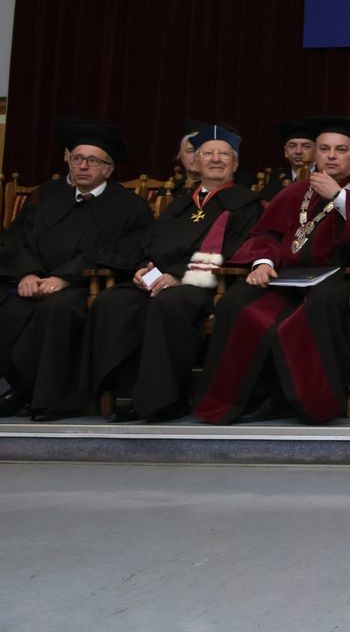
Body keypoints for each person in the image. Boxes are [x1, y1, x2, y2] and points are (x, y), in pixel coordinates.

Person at [194, 116, 350, 425]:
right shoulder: (296, 191)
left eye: (341, 150)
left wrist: (339, 196)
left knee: (317, 305)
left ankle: (311, 402)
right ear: (315, 154)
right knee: (235, 301)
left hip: (344, 275)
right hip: (286, 278)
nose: (331, 156)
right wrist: (263, 263)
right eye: (324, 149)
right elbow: (266, 233)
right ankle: (248, 399)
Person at [85, 125, 263, 423]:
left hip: (205, 284)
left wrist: (179, 275)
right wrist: (143, 268)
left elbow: (235, 250)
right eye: (208, 154)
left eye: (223, 155)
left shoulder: (246, 204)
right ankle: (123, 394)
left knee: (167, 304)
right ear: (196, 162)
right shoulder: (181, 202)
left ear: (235, 164)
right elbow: (151, 243)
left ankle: (163, 401)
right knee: (112, 302)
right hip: (161, 279)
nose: (215, 159)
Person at [0, 122, 153, 420]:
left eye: (93, 161)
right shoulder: (48, 201)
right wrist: (29, 274)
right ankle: (22, 387)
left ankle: (53, 399)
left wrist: (65, 277)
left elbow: (125, 252)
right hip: (38, 281)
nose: (83, 166)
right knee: (10, 307)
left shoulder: (129, 206)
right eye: (77, 159)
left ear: (109, 169)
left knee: (57, 309)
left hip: (85, 286)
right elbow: (20, 241)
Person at [262, 118, 316, 202]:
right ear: (285, 152)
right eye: (292, 146)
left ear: (316, 151)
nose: (298, 151)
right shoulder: (275, 178)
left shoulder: (324, 177)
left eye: (306, 146)